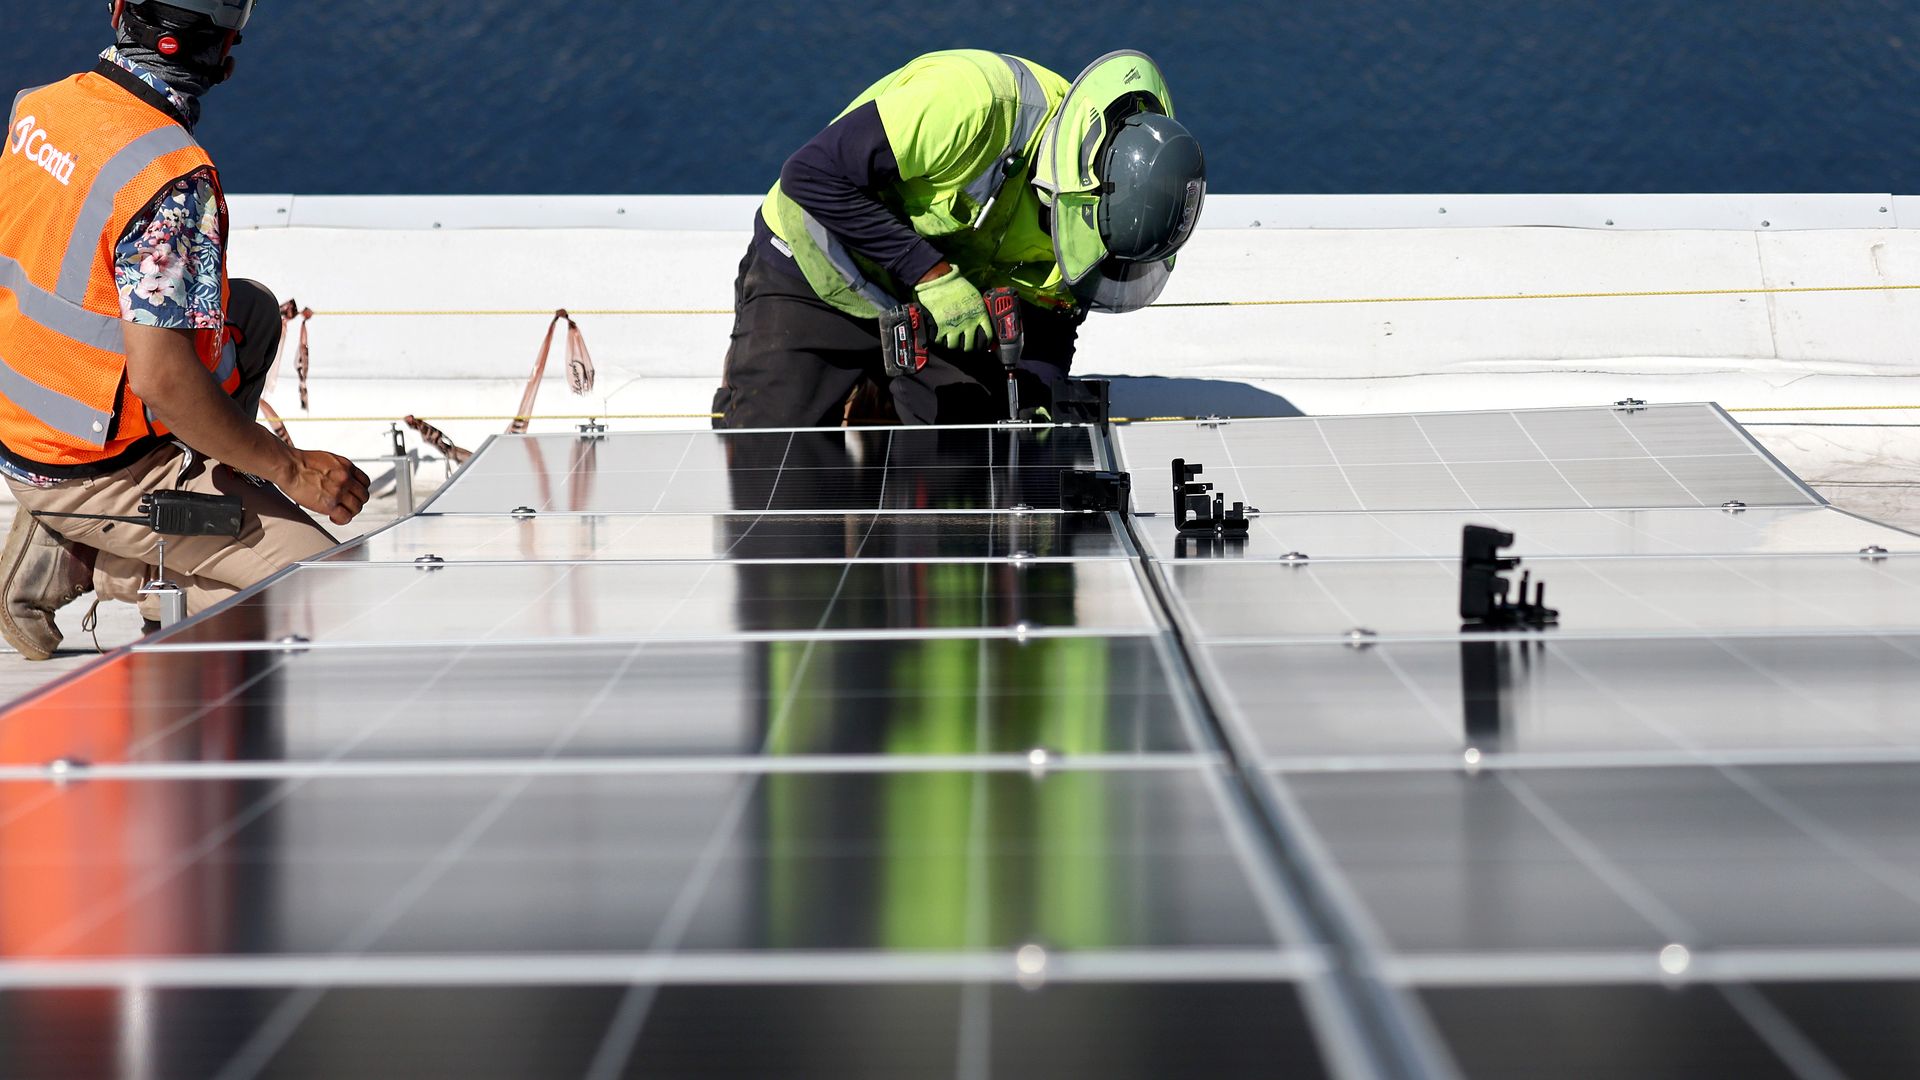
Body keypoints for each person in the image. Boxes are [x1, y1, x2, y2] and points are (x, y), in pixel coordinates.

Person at [0, 0, 369, 659]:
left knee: (247, 313)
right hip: (92, 466)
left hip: (24, 415)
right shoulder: (170, 179)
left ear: (118, 12)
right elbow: (163, 380)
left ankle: (98, 526)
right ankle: (122, 566)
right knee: (326, 593)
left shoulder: (44, 106)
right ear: (224, 53)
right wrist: (289, 468)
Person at [713, 49, 1206, 429]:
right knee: (770, 460)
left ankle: (882, 403)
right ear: (1075, 185)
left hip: (951, 311)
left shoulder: (1104, 235)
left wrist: (1039, 400)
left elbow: (1053, 316)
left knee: (962, 460)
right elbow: (811, 176)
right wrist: (931, 274)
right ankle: (862, 391)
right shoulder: (972, 103)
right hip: (821, 268)